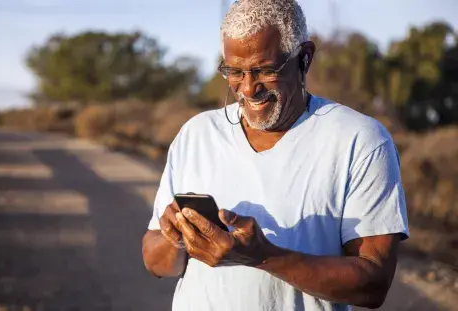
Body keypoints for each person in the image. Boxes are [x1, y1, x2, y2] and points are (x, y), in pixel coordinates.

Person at [141, 0, 409, 310]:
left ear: (304, 59)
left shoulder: (361, 141)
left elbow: (373, 285)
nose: (248, 89)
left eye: (265, 70)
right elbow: (155, 263)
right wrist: (177, 238)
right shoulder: (196, 134)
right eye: (235, 72)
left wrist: (262, 256)